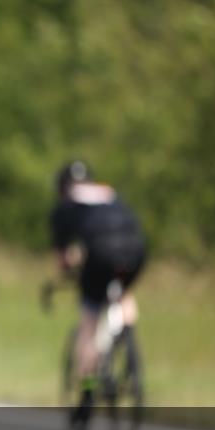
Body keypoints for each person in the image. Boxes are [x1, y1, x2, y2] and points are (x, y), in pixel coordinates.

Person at [50, 161, 146, 416]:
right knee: (123, 291)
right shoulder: (108, 192)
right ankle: (126, 335)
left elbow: (65, 259)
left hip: (101, 253)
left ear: (61, 188)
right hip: (135, 249)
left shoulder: (65, 206)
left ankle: (88, 388)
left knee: (89, 318)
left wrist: (70, 273)